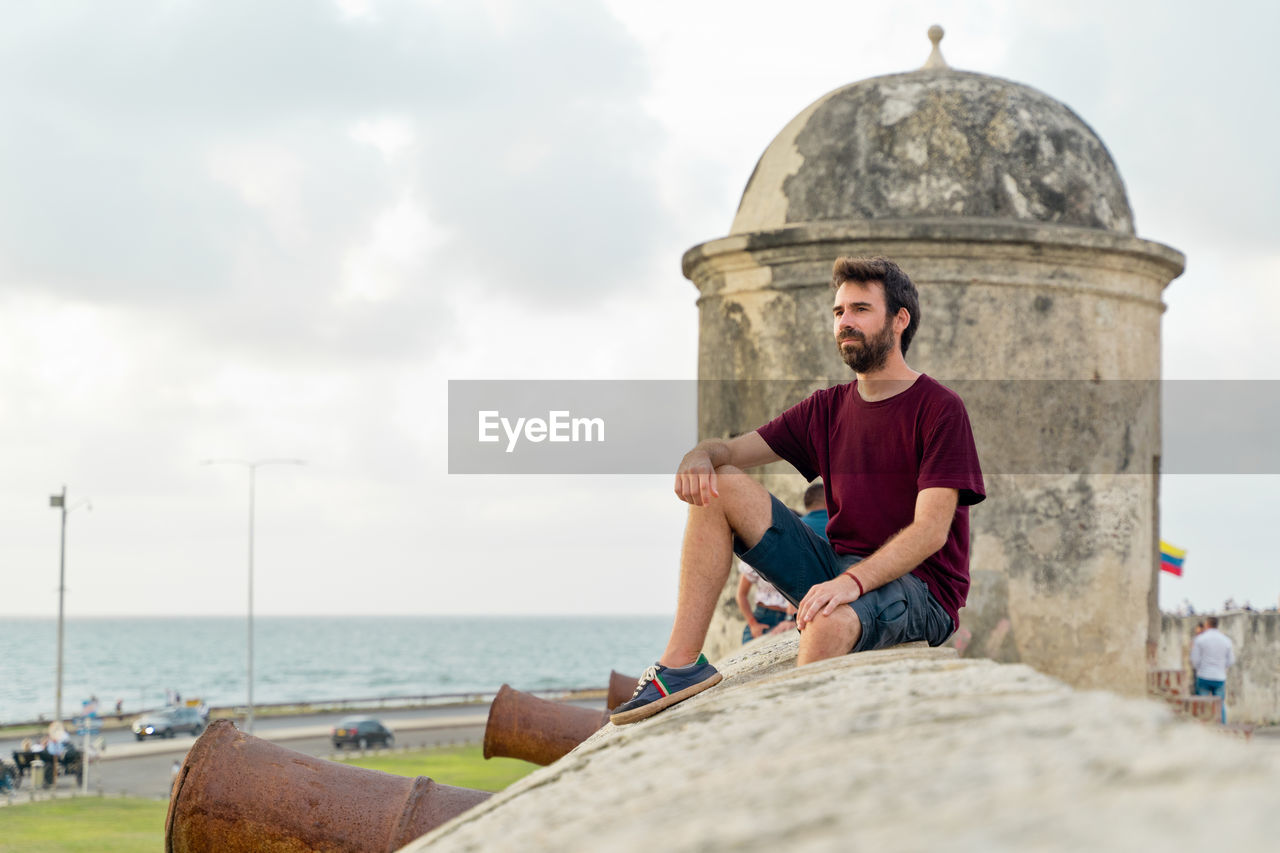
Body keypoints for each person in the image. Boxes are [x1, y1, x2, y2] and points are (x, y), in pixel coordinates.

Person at [611, 256, 985, 725]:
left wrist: (848, 584)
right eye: (838, 312)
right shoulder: (826, 408)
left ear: (899, 319)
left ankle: (794, 738)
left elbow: (931, 531)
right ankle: (681, 666)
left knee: (827, 619)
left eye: (861, 310)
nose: (845, 322)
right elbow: (730, 451)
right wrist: (701, 454)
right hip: (836, 568)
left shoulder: (939, 409)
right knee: (720, 483)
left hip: (922, 589)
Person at [1190, 616, 1234, 723]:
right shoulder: (1226, 640)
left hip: (1203, 676)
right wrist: (1222, 668)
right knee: (1220, 704)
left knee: (1203, 705)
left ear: (1207, 625)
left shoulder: (1200, 639)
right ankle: (1223, 728)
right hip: (1219, 677)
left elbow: (1194, 659)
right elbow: (1231, 660)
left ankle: (1203, 729)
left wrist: (1200, 669)